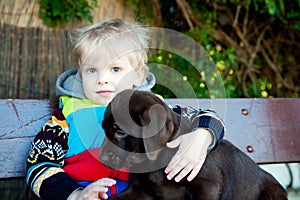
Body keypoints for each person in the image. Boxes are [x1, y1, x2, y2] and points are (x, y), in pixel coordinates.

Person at [26, 18, 225, 200]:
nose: (102, 78)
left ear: (138, 75)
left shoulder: (150, 108)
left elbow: (206, 116)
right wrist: (75, 194)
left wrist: (202, 136)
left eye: (115, 69)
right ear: (80, 74)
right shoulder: (65, 120)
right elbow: (40, 165)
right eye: (92, 70)